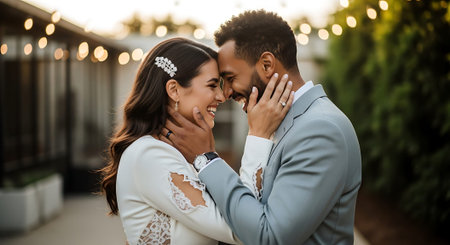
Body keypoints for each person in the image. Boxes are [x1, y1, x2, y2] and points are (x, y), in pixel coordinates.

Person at [163, 10, 362, 245]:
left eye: (230, 77)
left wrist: (207, 160)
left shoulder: (320, 130)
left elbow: (270, 237)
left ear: (266, 65)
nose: (225, 93)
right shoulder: (279, 122)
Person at [99, 37, 294, 245]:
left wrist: (206, 157)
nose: (221, 96)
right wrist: (258, 136)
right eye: (212, 85)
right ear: (174, 90)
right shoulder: (149, 154)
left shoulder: (181, 151)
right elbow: (242, 229)